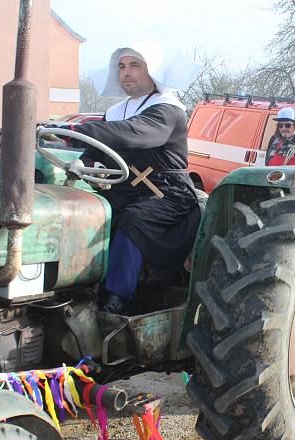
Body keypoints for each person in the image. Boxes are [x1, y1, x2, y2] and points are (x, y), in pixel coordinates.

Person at [60, 43, 201, 315]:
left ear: (154, 71)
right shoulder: (115, 112)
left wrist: (73, 128)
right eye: (122, 66)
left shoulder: (168, 108)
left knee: (134, 220)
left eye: (135, 65)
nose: (126, 72)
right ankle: (77, 286)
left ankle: (116, 297)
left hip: (167, 193)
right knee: (85, 211)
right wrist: (83, 162)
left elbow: (133, 133)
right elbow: (98, 148)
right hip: (125, 188)